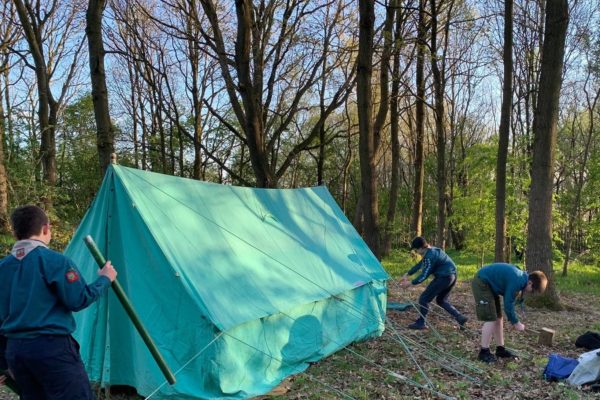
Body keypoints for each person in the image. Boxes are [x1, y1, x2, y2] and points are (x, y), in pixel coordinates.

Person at [0, 205, 117, 399]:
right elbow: (78, 299)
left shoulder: (3, 267)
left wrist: (3, 362)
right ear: (46, 228)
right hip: (50, 349)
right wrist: (105, 279)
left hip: (16, 352)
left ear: (15, 232)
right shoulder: (55, 261)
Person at [471, 262, 547, 363]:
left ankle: (500, 349)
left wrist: (514, 320)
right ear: (530, 283)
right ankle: (484, 352)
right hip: (482, 282)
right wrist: (516, 322)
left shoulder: (521, 278)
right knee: (491, 318)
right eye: (532, 290)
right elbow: (508, 305)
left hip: (490, 286)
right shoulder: (517, 280)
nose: (530, 292)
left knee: (498, 318)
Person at [400, 236, 468, 330]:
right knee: (441, 300)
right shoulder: (433, 250)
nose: (416, 252)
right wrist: (408, 273)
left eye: (416, 250)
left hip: (444, 278)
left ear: (421, 248)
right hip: (453, 276)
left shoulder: (430, 257)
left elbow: (424, 275)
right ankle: (460, 317)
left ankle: (421, 323)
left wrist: (410, 283)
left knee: (424, 299)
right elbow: (420, 264)